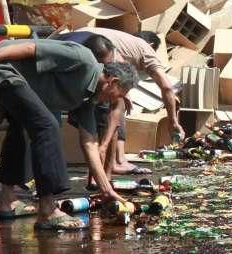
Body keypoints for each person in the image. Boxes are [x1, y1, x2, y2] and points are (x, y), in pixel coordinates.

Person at [0, 39, 139, 230]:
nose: (114, 102)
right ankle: (48, 209)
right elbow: (29, 48)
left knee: (21, 127)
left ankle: (7, 203)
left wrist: (106, 188)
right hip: (0, 68)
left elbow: (89, 143)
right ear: (113, 82)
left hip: (11, 77)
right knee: (47, 125)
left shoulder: (88, 99)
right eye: (118, 95)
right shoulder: (83, 59)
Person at [55, 28, 184, 175]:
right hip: (84, 52)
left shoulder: (124, 43)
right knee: (112, 108)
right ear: (151, 44)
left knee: (109, 107)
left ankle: (106, 167)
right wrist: (173, 121)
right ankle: (114, 164)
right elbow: (167, 88)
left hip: (69, 44)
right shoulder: (146, 51)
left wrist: (124, 93)